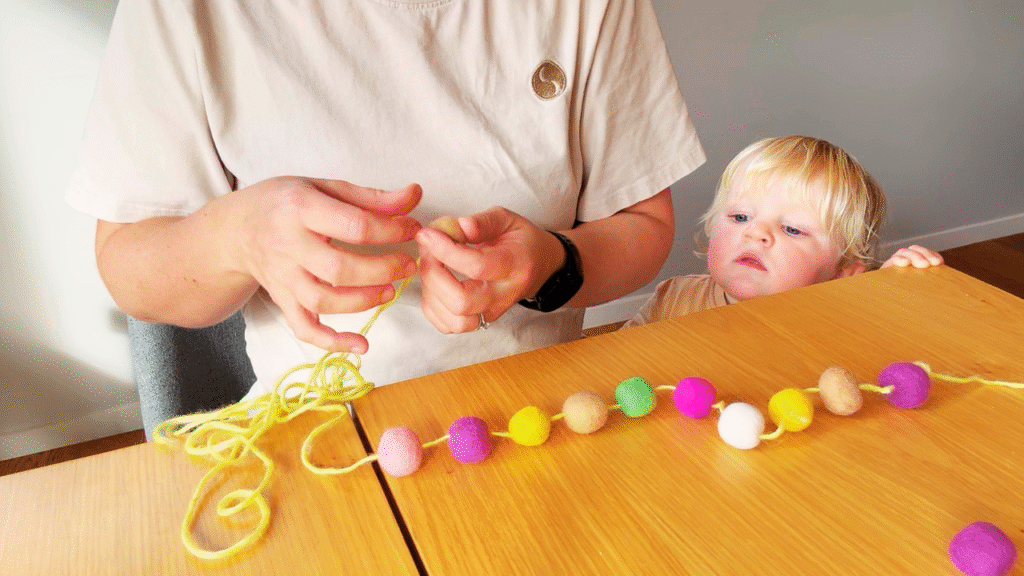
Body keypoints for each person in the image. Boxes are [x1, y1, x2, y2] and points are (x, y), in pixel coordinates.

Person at [66, 0, 706, 398]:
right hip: (323, 430)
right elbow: (127, 260)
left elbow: (643, 222)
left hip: (545, 415)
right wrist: (237, 239)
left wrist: (551, 264)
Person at [623, 135, 943, 328]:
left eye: (791, 228)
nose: (756, 233)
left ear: (844, 272)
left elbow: (884, 359)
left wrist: (890, 296)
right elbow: (615, 363)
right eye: (740, 216)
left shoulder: (846, 322)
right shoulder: (672, 300)